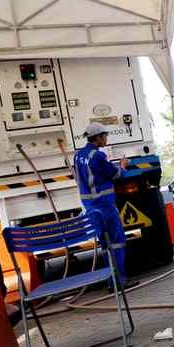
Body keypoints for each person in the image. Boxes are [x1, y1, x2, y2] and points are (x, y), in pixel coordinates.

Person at [74, 123, 137, 290]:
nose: (106, 139)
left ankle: (111, 280)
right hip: (105, 207)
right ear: (98, 137)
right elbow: (114, 174)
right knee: (116, 242)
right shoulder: (97, 156)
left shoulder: (78, 155)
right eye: (105, 135)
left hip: (91, 207)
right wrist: (123, 165)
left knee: (105, 244)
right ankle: (119, 281)